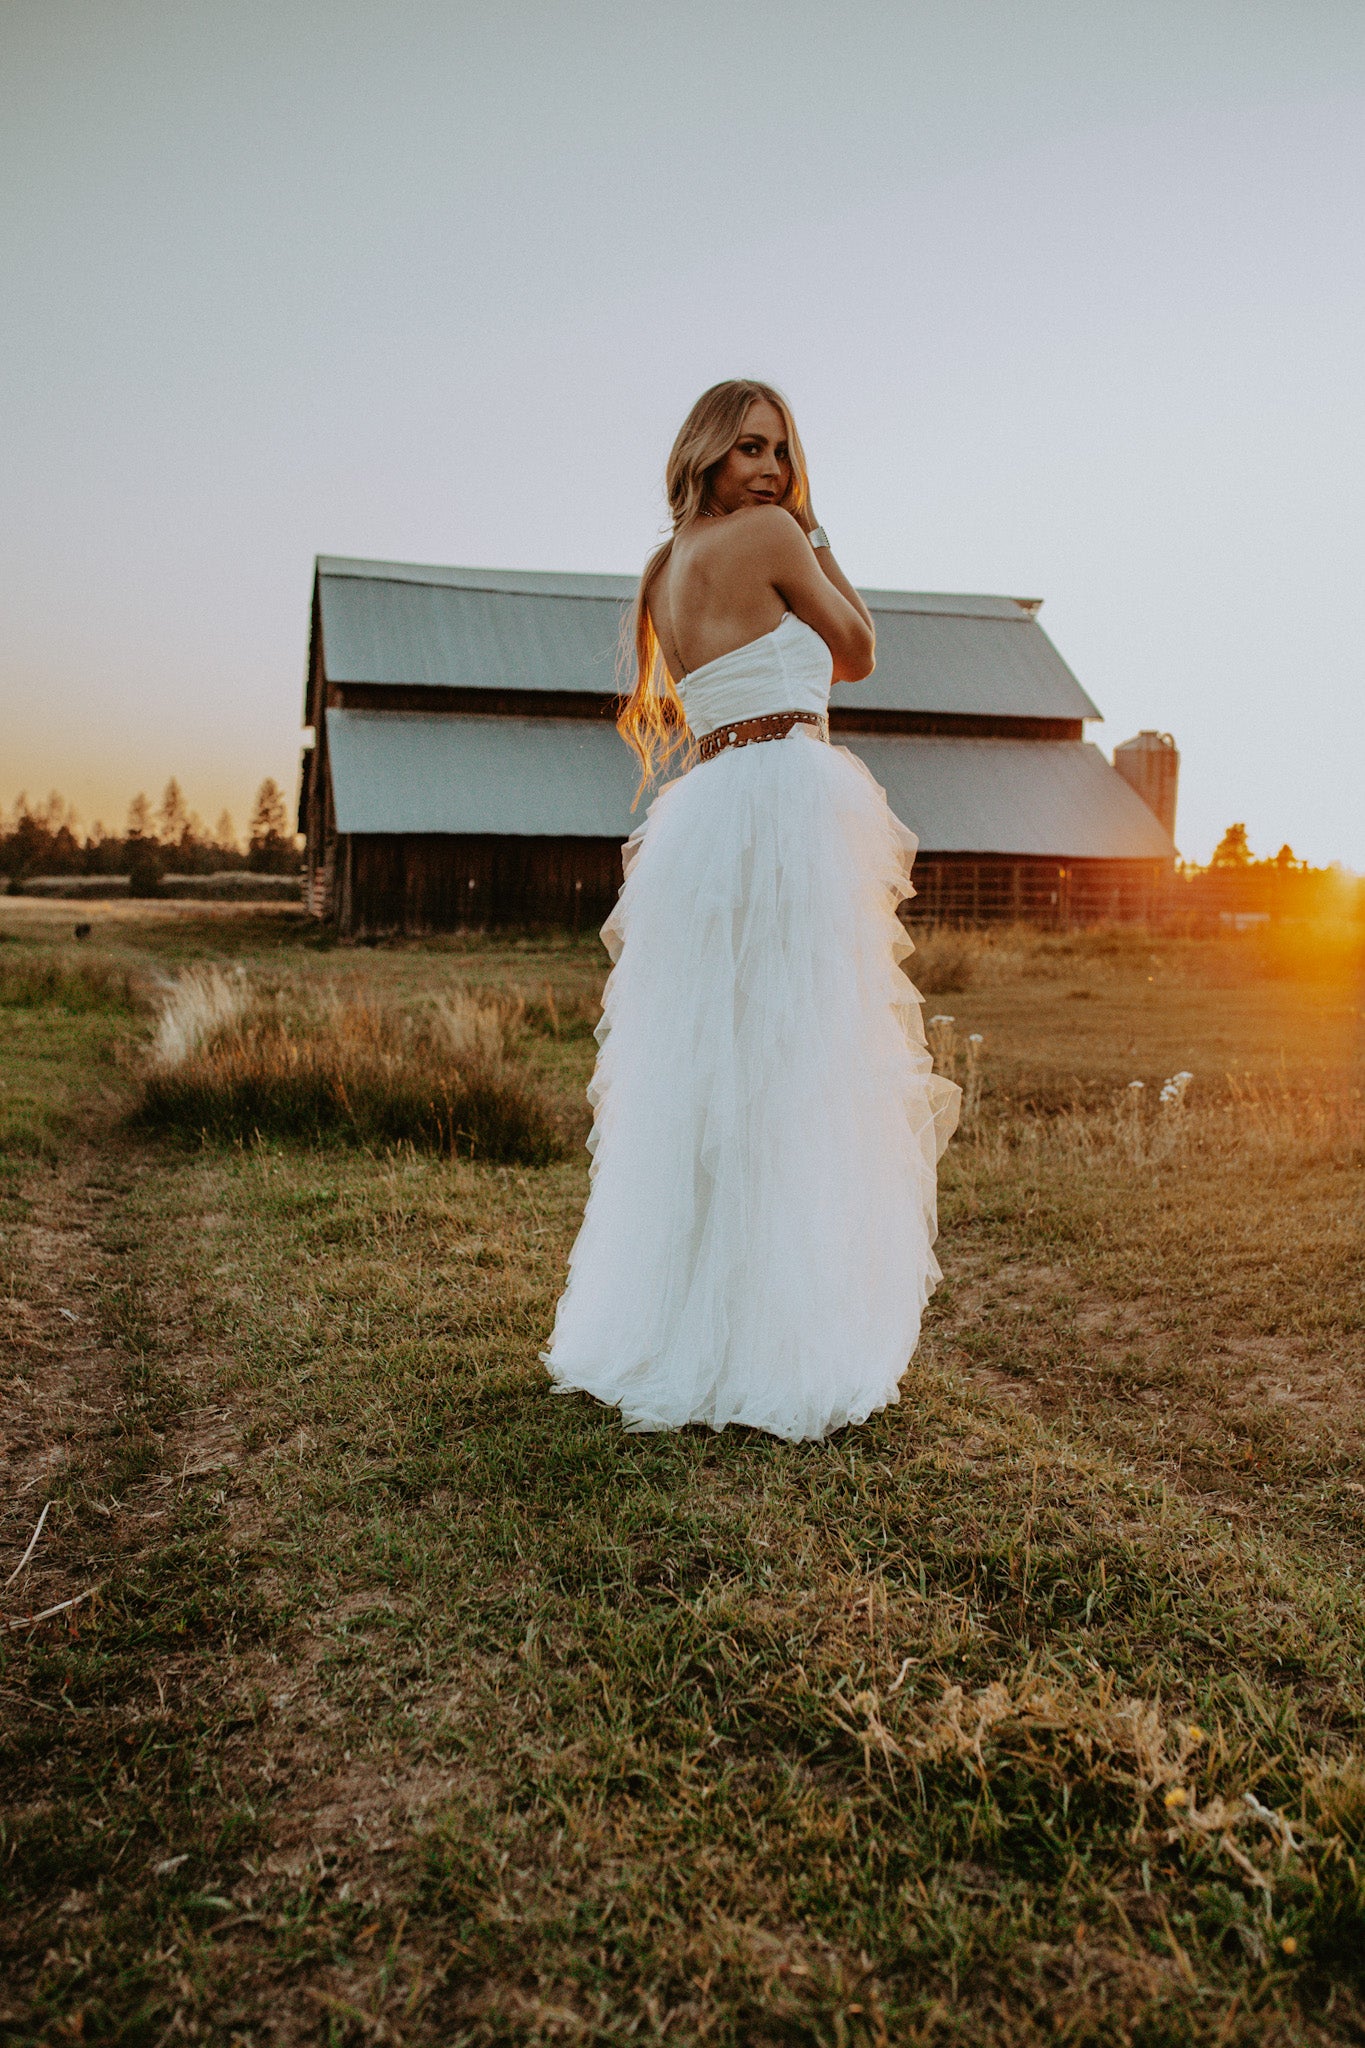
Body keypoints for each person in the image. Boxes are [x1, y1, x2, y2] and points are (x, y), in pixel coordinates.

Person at [543, 379, 959, 1441]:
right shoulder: (778, 533)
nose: (770, 469)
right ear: (709, 454)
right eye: (751, 449)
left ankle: (685, 1327)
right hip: (782, 801)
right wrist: (818, 533)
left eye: (781, 451)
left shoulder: (663, 567)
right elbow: (859, 649)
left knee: (707, 1078)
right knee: (794, 1066)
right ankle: (775, 1340)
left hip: (704, 818)